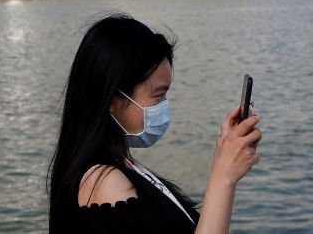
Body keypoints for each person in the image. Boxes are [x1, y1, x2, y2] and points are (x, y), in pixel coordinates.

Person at [47, 14, 262, 233]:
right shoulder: (104, 184)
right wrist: (223, 178)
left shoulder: (126, 166)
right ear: (112, 101)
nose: (164, 105)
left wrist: (223, 154)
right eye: (158, 95)